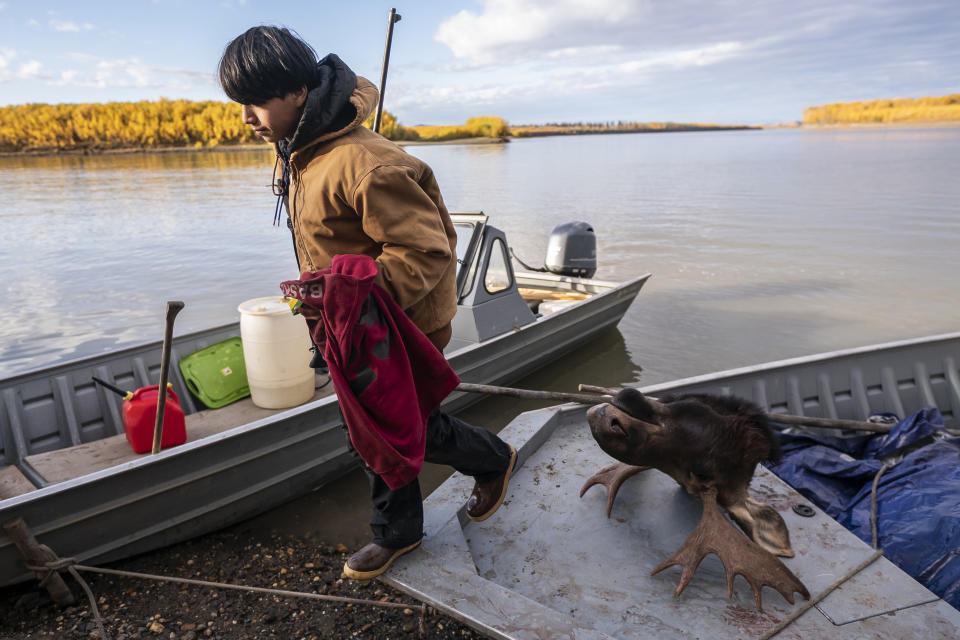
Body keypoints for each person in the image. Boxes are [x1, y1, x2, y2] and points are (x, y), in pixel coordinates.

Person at [218, 26, 516, 580]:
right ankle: (442, 498)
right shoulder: (304, 150)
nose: (246, 117)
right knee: (388, 424)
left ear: (300, 94)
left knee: (387, 425)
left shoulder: (368, 164)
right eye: (240, 103)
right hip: (351, 321)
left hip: (397, 323)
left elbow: (426, 253)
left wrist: (348, 295)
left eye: (256, 102)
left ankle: (430, 508)